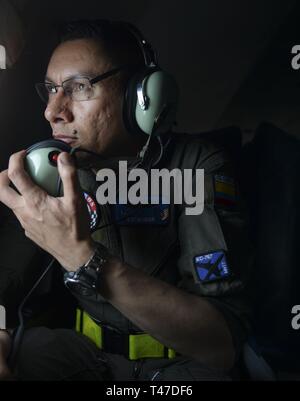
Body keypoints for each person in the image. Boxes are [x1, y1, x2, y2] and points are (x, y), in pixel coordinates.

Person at [0, 19, 253, 381]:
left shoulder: (195, 166)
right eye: (52, 89)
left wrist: (82, 258)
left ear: (143, 96)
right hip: (82, 354)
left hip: (177, 365)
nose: (53, 111)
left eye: (78, 87)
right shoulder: (53, 166)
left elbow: (219, 344)